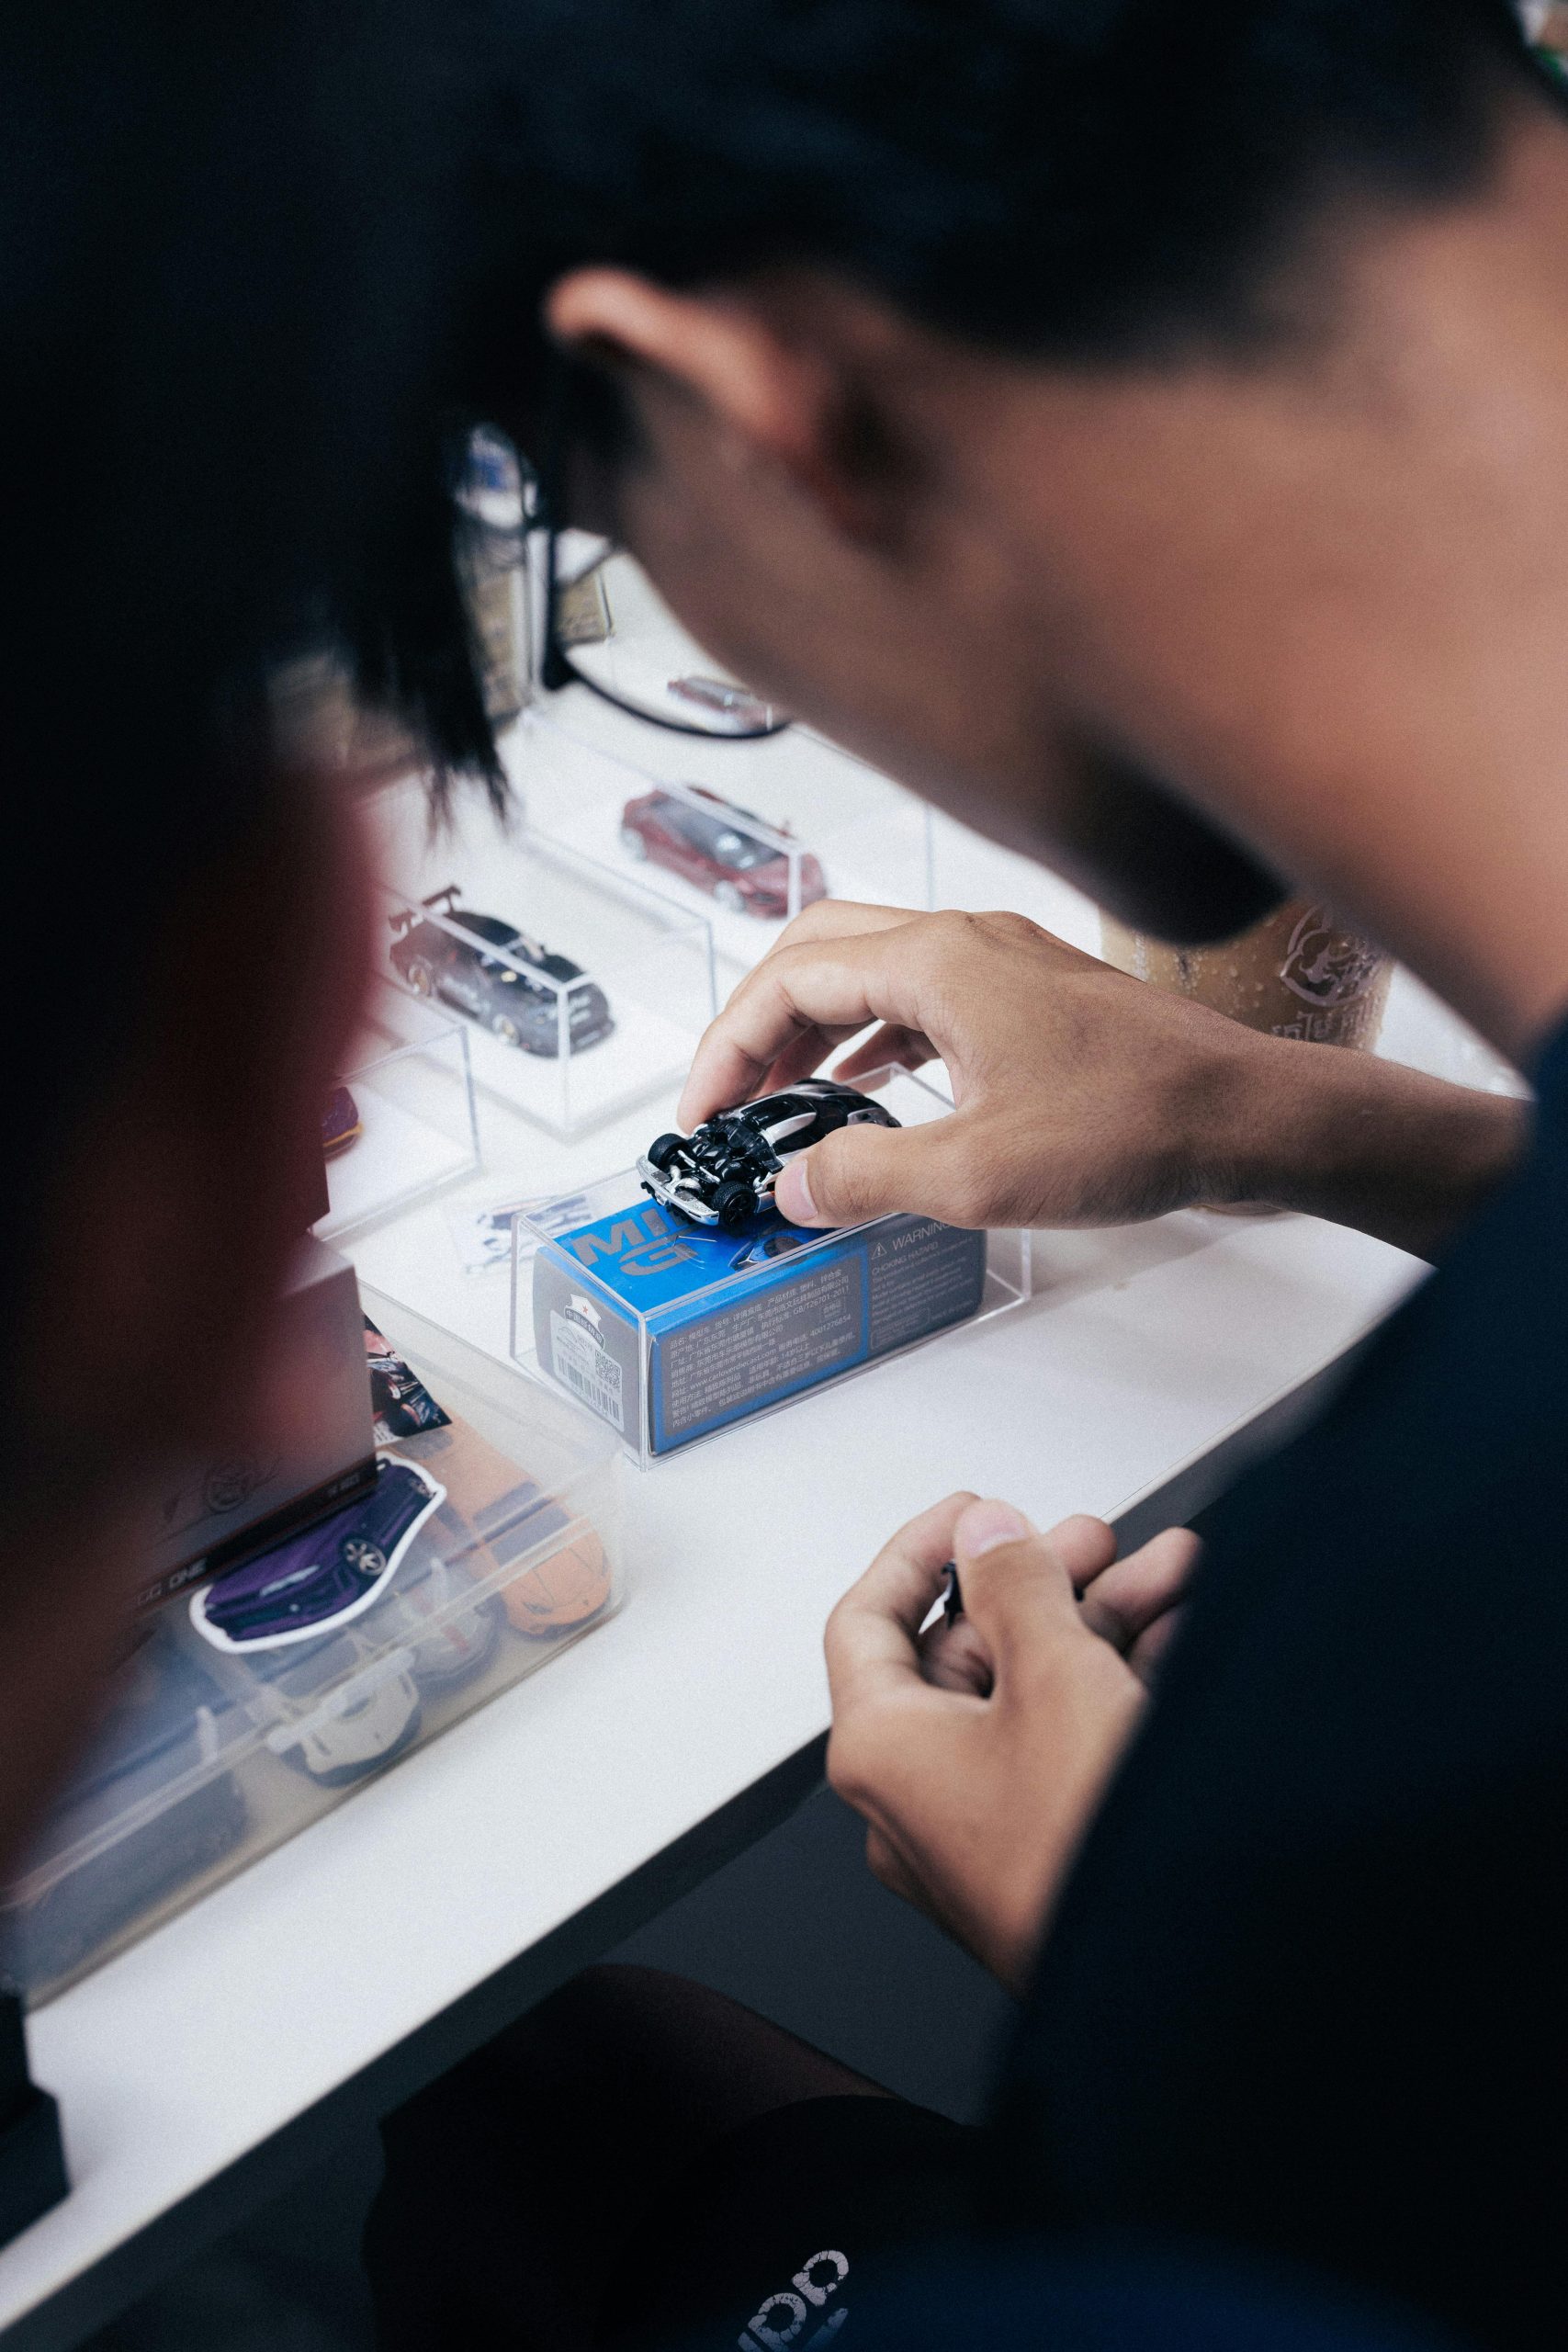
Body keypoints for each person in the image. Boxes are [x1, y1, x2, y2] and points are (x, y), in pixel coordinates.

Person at [356, 5, 1568, 2350]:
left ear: (752, 407)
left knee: (535, 2123)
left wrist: (1146, 1942)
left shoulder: (1362, 1764)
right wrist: (1272, 1109)